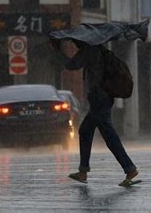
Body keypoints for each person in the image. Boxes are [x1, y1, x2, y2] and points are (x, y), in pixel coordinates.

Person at [51, 38, 140, 187]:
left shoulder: (89, 50)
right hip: (104, 97)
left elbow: (71, 65)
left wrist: (57, 50)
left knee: (108, 134)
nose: (75, 44)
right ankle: (83, 171)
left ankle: (129, 168)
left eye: (76, 41)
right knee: (86, 131)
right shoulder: (101, 50)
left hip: (99, 98)